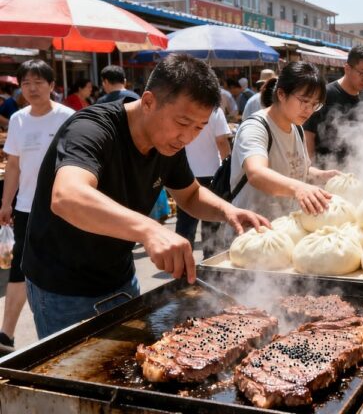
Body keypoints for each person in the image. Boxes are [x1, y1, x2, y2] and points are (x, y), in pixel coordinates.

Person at [22, 54, 269, 339]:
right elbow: (67, 196)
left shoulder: (168, 143)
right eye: (183, 122)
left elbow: (189, 194)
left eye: (199, 128)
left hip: (120, 276)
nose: (187, 137)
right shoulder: (91, 129)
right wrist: (150, 229)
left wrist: (228, 211)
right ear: (149, 101)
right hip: (62, 286)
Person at [0, 60, 74, 353]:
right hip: (27, 207)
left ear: (52, 86)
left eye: (38, 82)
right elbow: (14, 165)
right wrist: (7, 203)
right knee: (20, 269)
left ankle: (66, 330)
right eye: (26, 83)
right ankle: (5, 335)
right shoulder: (18, 119)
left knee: (62, 267)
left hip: (63, 206)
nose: (31, 88)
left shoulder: (68, 117)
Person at [230, 61, 340, 221]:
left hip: (284, 226)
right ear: (281, 94)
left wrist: (323, 175)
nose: (309, 110)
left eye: (315, 104)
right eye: (304, 101)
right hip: (252, 230)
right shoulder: (255, 127)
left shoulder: (297, 127)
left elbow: (296, 167)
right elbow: (256, 173)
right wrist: (298, 188)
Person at [304, 45, 363, 168]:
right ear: (347, 68)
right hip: (325, 172)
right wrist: (311, 171)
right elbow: (308, 135)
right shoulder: (324, 95)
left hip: (356, 172)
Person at [176, 107, 232, 258]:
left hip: (185, 172)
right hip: (211, 173)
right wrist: (228, 166)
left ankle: (182, 263)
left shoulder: (184, 108)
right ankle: (210, 262)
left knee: (185, 223)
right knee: (211, 222)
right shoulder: (215, 110)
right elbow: (221, 141)